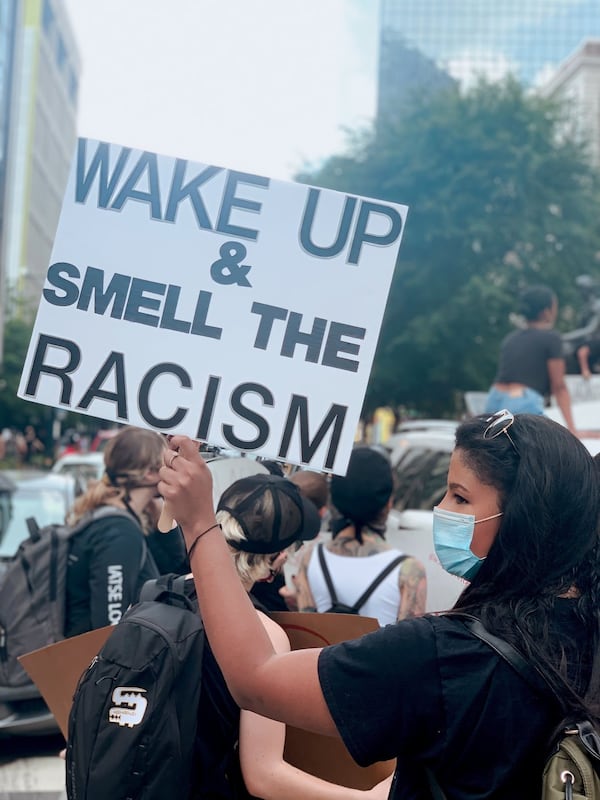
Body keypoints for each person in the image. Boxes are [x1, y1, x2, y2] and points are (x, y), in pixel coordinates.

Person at [159, 411, 600, 799]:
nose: (440, 507)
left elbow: (255, 680)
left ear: (523, 517)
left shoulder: (445, 656)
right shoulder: (584, 631)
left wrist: (199, 523)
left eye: (460, 497)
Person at [187, 471, 392, 799]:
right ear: (279, 556)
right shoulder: (261, 634)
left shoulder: (159, 595)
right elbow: (263, 775)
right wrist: (366, 798)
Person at [64, 426, 183, 637]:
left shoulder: (123, 520)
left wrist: (162, 512)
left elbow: (175, 569)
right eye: (167, 465)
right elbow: (109, 624)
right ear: (149, 474)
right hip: (98, 666)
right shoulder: (119, 532)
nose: (173, 472)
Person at [293, 447, 427, 624]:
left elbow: (307, 630)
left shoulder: (310, 558)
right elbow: (412, 645)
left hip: (324, 652)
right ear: (388, 503)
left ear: (334, 499)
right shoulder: (409, 571)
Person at [485, 285, 578, 432]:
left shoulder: (510, 339)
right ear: (546, 312)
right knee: (545, 446)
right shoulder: (551, 338)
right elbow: (559, 387)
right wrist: (573, 430)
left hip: (494, 399)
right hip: (522, 401)